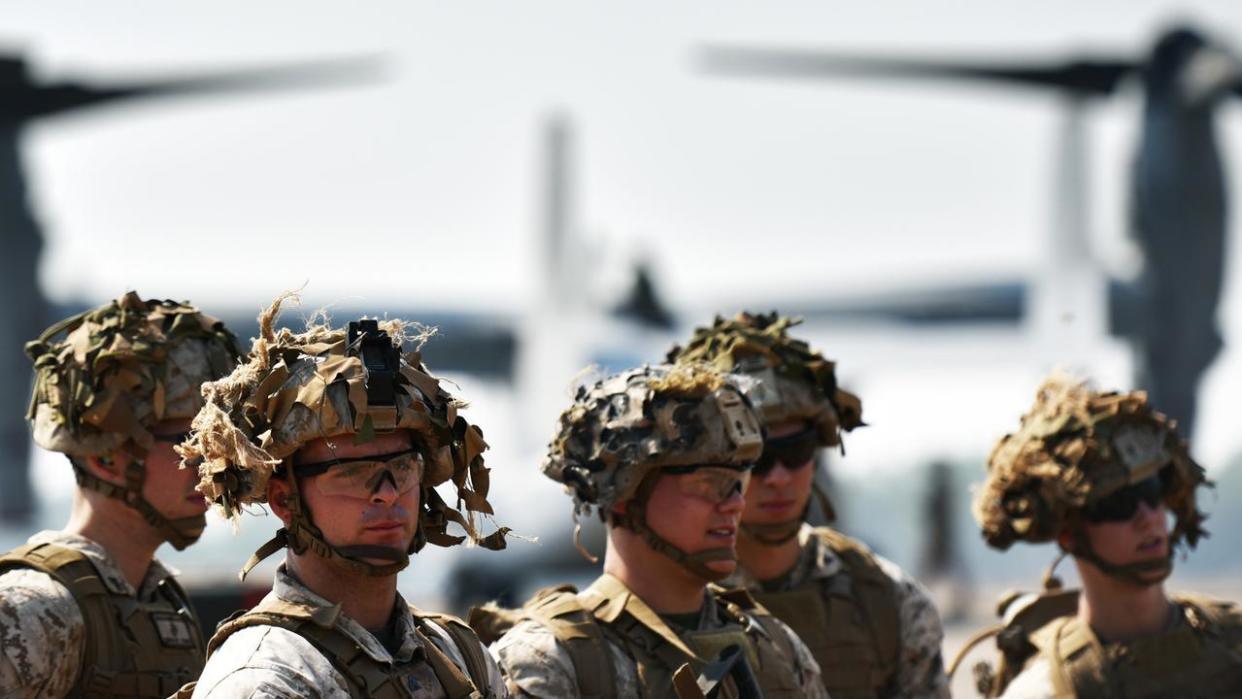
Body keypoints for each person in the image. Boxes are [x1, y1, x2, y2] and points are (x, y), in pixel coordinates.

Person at [180, 294, 510, 698]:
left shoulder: (459, 656)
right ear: (286, 501)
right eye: (353, 473)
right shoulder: (265, 678)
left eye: (403, 467)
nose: (387, 494)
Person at [479, 363, 828, 698]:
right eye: (709, 484)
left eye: (740, 482)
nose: (735, 503)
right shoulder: (549, 660)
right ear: (623, 495)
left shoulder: (776, 647)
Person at [668, 312, 950, 698]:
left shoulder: (889, 601)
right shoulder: (665, 601)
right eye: (758, 457)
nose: (779, 477)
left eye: (797, 451)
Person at [0, 292, 241, 698]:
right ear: (107, 460)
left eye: (215, 436)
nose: (211, 458)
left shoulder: (157, 598)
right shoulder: (32, 610)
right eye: (187, 438)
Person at [969, 375, 1242, 697]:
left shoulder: (1231, 648)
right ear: (1069, 535)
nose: (1148, 517)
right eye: (1118, 505)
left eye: (1152, 491)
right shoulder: (1045, 689)